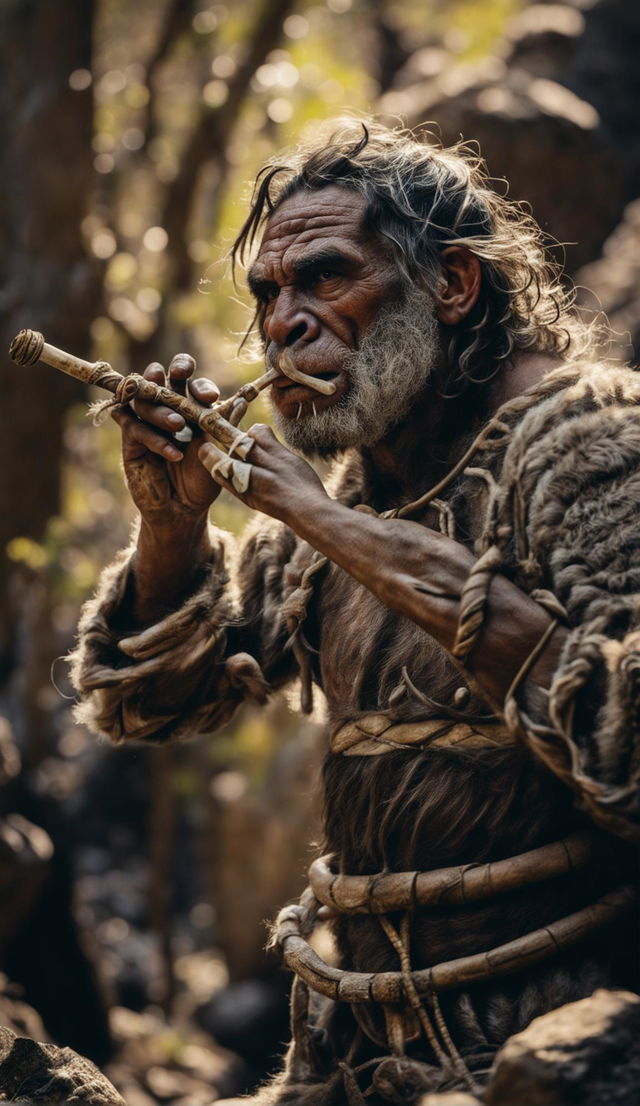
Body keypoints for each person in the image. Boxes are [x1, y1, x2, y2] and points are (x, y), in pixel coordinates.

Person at [71, 120, 639, 1103]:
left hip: (556, 1037)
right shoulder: (350, 488)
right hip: (348, 1040)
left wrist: (316, 514)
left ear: (452, 286)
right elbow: (147, 705)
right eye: (268, 293)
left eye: (326, 277)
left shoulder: (586, 445)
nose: (283, 322)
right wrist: (169, 529)